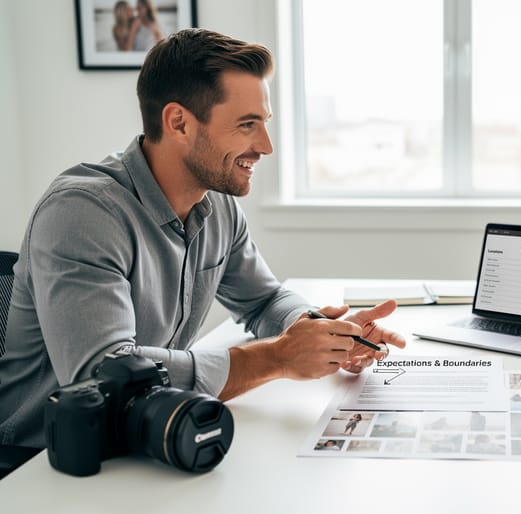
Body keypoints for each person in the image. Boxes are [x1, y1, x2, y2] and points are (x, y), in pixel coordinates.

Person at [0, 28, 406, 449]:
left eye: (263, 124)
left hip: (150, 435)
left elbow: (264, 299)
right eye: (247, 125)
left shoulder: (218, 206)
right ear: (178, 123)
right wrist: (276, 358)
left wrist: (322, 333)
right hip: (45, 459)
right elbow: (103, 377)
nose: (265, 146)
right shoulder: (83, 213)